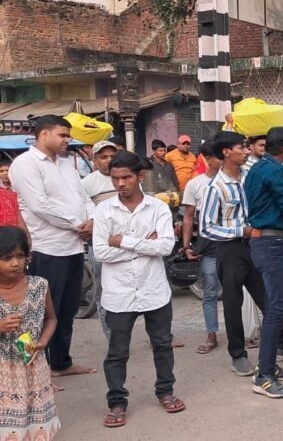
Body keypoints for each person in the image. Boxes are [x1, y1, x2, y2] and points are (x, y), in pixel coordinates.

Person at [199, 131, 283, 387]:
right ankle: (239, 354)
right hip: (232, 248)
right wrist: (240, 231)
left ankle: (277, 348)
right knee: (233, 302)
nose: (246, 151)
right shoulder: (216, 187)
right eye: (240, 147)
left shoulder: (250, 174)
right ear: (226, 152)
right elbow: (206, 228)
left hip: (257, 244)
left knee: (270, 301)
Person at [92, 151, 184, 427]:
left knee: (162, 344)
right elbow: (100, 253)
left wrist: (123, 241)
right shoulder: (104, 210)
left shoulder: (156, 208)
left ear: (140, 176)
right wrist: (144, 244)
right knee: (117, 351)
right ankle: (117, 402)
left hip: (153, 289)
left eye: (126, 177)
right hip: (118, 293)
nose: (120, 183)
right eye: (115, 178)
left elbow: (166, 247)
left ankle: (165, 391)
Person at [9, 115, 96, 378]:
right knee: (35, 314)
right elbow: (39, 205)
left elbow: (83, 196)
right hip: (46, 249)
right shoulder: (25, 164)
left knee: (66, 311)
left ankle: (60, 363)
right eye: (62, 135)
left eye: (68, 136)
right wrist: (77, 224)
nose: (67, 140)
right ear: (44, 134)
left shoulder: (67, 163)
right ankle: (32, 373)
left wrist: (91, 220)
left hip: (72, 248)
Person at [244, 127, 283, 398]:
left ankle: (268, 365)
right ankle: (264, 376)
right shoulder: (274, 172)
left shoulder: (259, 169)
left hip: (264, 242)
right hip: (270, 242)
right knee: (277, 307)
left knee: (275, 305)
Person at [0, 226, 60, 439]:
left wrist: (42, 342)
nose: (16, 263)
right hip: (3, 370)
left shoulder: (39, 286)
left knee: (36, 424)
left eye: (20, 256)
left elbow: (51, 319)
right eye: (7, 258)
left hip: (33, 364)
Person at [182, 141, 223, 354]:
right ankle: (211, 333)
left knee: (239, 292)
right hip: (209, 249)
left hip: (235, 246)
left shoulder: (237, 180)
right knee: (210, 293)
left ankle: (242, 333)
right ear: (207, 158)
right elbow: (188, 217)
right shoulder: (195, 184)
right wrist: (187, 245)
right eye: (218, 155)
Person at [81, 140, 119, 338]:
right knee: (103, 290)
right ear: (94, 159)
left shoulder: (124, 178)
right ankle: (111, 337)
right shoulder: (87, 183)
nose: (108, 161)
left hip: (126, 244)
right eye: (103, 157)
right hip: (100, 245)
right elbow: (84, 214)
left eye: (112, 156)